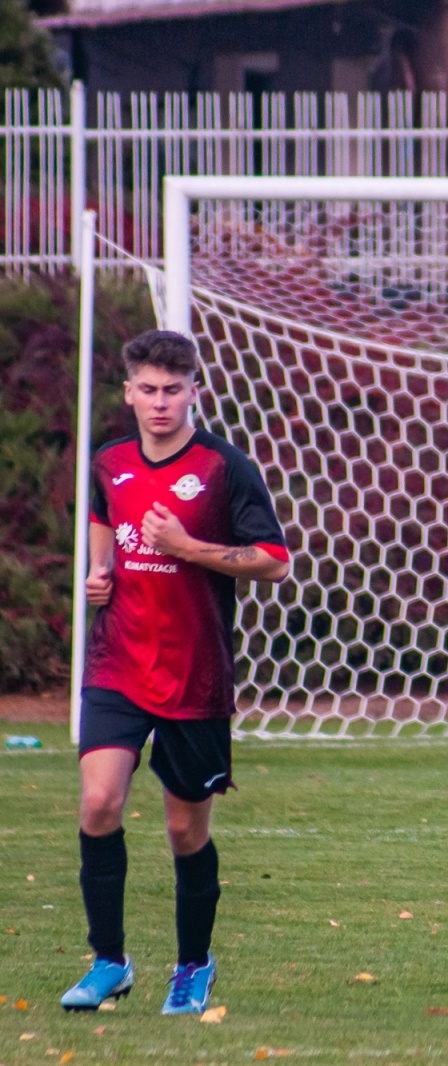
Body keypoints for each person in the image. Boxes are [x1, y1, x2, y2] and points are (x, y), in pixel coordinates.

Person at [61, 330, 290, 1015]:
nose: (160, 403)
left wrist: (187, 547)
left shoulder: (225, 468)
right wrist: (99, 576)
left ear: (196, 391)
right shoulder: (111, 462)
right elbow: (104, 528)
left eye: (173, 390)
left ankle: (192, 966)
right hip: (118, 662)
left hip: (195, 673)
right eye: (148, 390)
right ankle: (109, 961)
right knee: (99, 801)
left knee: (185, 830)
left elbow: (275, 560)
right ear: (128, 392)